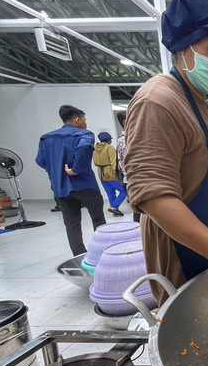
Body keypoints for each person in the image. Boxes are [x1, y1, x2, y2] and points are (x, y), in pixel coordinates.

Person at [123, 0, 208, 305]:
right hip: (187, 254)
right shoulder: (159, 101)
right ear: (184, 47)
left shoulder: (199, 101)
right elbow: (153, 195)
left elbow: (198, 159)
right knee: (192, 337)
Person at [36, 105, 106, 255]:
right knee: (98, 219)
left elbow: (40, 161)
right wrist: (75, 169)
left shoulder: (46, 138)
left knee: (71, 223)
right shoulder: (84, 134)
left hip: (61, 188)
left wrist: (55, 170)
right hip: (85, 185)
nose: (85, 123)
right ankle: (101, 253)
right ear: (77, 120)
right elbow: (83, 148)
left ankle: (79, 256)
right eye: (84, 120)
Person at [94, 132, 127, 216]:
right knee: (124, 190)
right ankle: (113, 206)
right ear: (108, 140)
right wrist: (117, 173)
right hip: (110, 173)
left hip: (101, 174)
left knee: (110, 193)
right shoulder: (110, 148)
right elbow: (113, 162)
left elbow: (95, 162)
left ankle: (115, 209)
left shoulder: (95, 149)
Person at [115, 111, 140, 223]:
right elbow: (130, 162)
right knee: (139, 210)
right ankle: (139, 236)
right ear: (125, 123)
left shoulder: (126, 138)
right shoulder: (124, 139)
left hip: (133, 179)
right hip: (133, 179)